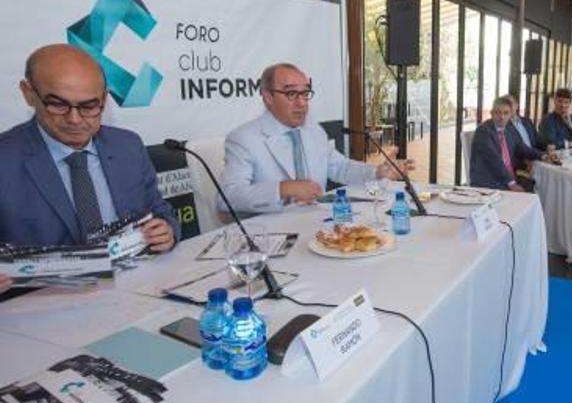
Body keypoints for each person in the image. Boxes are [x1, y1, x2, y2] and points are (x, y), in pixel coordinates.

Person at [0, 44, 179, 250]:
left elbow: (159, 211)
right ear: (29, 93)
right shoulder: (6, 159)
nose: (74, 119)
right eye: (58, 104)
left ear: (104, 99)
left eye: (89, 106)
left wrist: (167, 230)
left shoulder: (128, 146)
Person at [221, 63, 408, 214]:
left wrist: (376, 172)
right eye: (291, 94)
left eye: (304, 94)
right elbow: (226, 198)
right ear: (268, 97)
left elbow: (340, 167)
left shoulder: (313, 130)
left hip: (317, 224)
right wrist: (282, 189)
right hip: (271, 233)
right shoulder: (243, 139)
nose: (301, 103)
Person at [470, 97, 554, 191]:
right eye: (498, 112)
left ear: (511, 114)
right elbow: (494, 160)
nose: (502, 117)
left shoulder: (509, 130)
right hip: (489, 181)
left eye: (506, 113)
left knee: (538, 185)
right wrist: (511, 183)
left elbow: (523, 148)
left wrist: (544, 156)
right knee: (527, 191)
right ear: (491, 113)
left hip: (508, 176)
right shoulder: (483, 131)